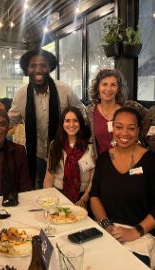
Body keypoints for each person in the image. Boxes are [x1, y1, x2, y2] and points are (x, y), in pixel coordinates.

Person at [8, 48, 85, 189]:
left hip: (65, 150)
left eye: (43, 65)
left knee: (67, 186)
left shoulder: (64, 90)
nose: (38, 70)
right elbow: (10, 120)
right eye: (33, 65)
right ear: (27, 69)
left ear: (50, 68)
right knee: (41, 185)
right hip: (38, 153)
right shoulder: (21, 95)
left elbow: (82, 115)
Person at [90, 107, 155, 267]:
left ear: (139, 130)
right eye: (119, 127)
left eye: (131, 128)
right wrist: (107, 225)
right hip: (107, 232)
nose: (124, 133)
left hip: (141, 236)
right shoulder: (104, 159)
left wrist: (135, 232)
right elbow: (95, 195)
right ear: (113, 128)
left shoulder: (151, 161)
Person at [85, 69, 147, 159]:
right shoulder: (90, 111)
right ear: (97, 87)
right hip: (104, 165)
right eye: (104, 84)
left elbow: (151, 118)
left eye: (113, 85)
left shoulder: (132, 107)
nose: (108, 89)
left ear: (118, 89)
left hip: (132, 163)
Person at [43, 107, 94, 207]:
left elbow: (93, 180)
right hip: (58, 195)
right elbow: (49, 177)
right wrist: (48, 199)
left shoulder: (90, 146)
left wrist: (83, 200)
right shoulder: (55, 145)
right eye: (67, 121)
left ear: (81, 123)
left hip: (83, 197)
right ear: (62, 124)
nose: (71, 125)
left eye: (75, 121)